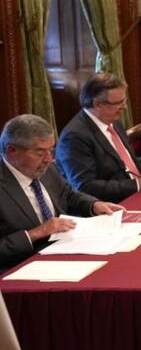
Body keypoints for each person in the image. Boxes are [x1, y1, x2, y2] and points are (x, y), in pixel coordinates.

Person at [1, 114, 122, 269]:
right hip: (21, 266)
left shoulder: (47, 168)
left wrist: (93, 205)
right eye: (40, 152)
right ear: (12, 150)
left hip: (65, 250)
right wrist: (35, 233)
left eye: (51, 150)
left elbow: (67, 195)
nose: (49, 159)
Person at [56, 73, 141, 202]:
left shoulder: (112, 121)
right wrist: (138, 183)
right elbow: (85, 186)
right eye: (118, 103)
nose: (124, 107)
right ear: (97, 104)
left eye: (124, 101)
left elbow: (122, 163)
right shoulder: (74, 137)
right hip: (114, 204)